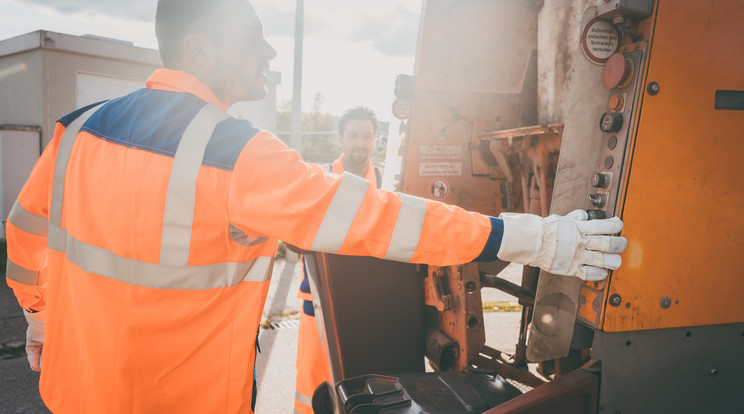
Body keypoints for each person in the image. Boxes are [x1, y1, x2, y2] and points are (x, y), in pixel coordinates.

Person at [4, 0, 627, 412]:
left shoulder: (77, 130)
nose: (269, 55)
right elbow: (381, 219)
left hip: (72, 393)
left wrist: (38, 319)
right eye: (254, 41)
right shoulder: (228, 150)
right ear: (199, 50)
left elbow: (26, 240)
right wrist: (533, 238)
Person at [294, 106, 382, 413]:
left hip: (365, 302)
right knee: (313, 384)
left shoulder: (384, 184)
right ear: (340, 139)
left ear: (376, 140)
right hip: (319, 300)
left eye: (368, 136)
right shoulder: (319, 180)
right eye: (354, 135)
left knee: (359, 384)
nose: (361, 142)